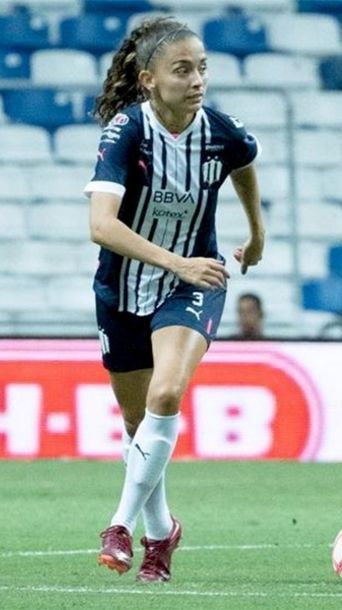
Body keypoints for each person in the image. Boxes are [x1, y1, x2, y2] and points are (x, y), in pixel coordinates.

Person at [85, 16, 266, 582]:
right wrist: (173, 259)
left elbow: (244, 163)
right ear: (148, 79)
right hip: (123, 288)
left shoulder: (221, 130)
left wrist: (256, 233)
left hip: (196, 282)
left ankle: (119, 525)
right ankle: (161, 533)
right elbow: (100, 225)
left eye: (202, 69)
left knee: (166, 392)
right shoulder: (126, 134)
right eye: (182, 69)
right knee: (139, 424)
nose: (197, 80)